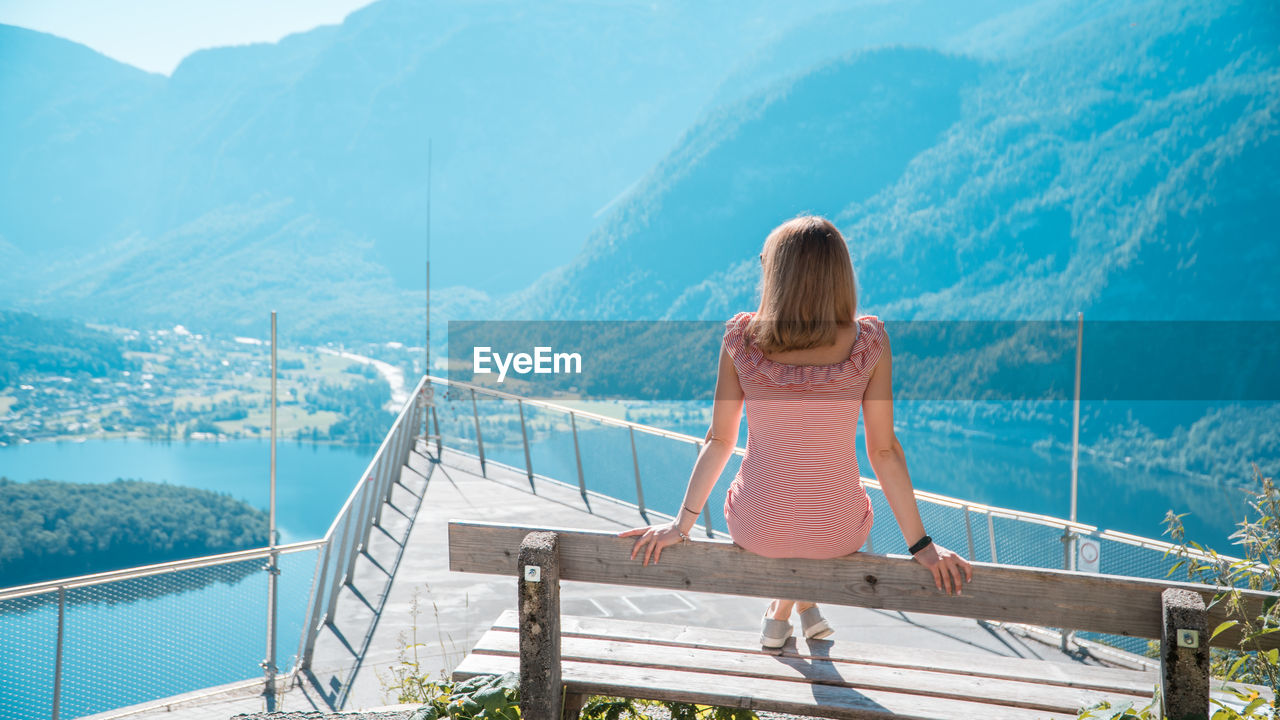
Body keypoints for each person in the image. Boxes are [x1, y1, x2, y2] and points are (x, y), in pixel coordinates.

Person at [620, 215, 973, 649]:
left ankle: (784, 609)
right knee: (826, 512)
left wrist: (681, 525)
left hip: (757, 526)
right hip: (837, 531)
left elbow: (720, 440)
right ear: (839, 275)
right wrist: (922, 546)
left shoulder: (741, 341)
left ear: (778, 275)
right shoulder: (870, 344)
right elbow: (884, 452)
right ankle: (795, 607)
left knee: (770, 505)